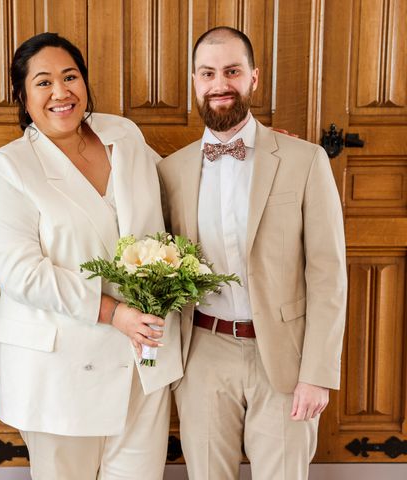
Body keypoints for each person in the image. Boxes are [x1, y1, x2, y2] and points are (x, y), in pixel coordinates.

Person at [0, 32, 182, 480]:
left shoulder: (123, 134)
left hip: (141, 359)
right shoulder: (7, 166)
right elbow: (21, 273)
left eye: (70, 77)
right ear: (23, 96)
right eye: (44, 82)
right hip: (60, 368)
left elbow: (177, 185)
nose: (61, 92)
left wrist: (242, 157)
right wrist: (113, 313)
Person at [158, 27, 347, 480]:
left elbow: (327, 273)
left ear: (253, 79)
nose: (219, 83)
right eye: (208, 73)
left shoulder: (305, 160)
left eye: (232, 71)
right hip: (201, 352)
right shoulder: (170, 170)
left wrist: (317, 371)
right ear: (194, 81)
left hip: (284, 354)